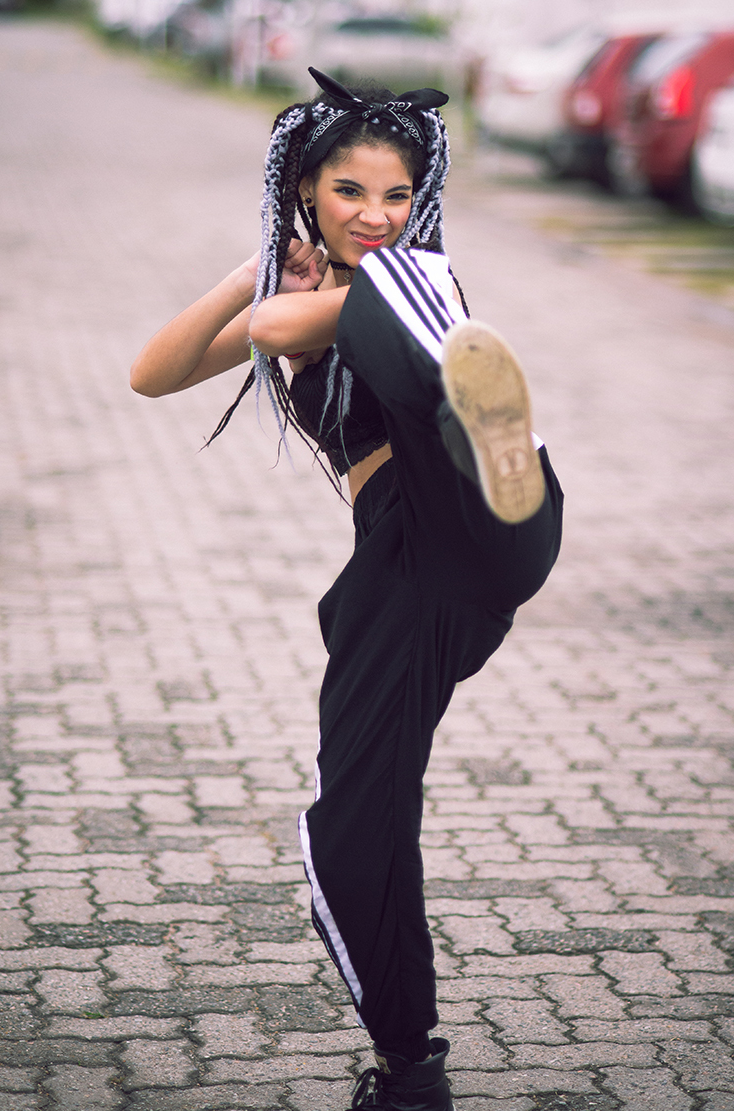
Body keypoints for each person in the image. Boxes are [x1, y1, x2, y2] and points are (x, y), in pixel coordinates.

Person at [131, 68, 563, 1111]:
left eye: (398, 195)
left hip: (484, 510)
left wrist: (296, 295)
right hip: (416, 580)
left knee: (403, 294)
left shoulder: (417, 282)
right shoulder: (309, 279)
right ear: (308, 192)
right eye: (352, 194)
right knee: (354, 816)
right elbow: (152, 371)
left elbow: (283, 335)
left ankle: (477, 426)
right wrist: (255, 267)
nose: (377, 213)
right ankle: (409, 1065)